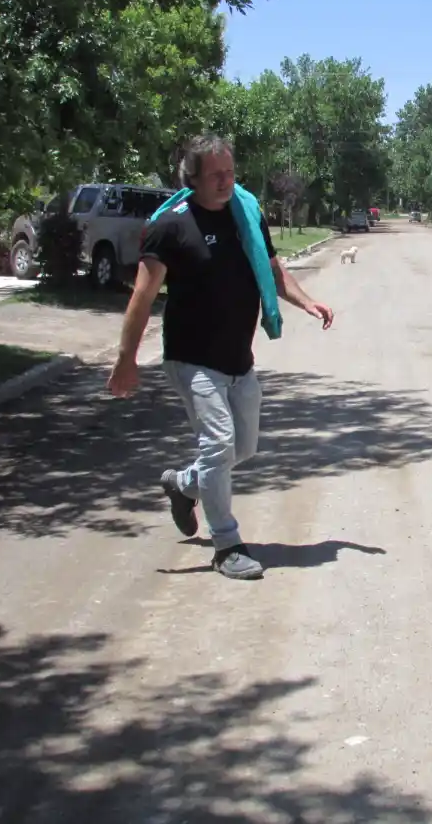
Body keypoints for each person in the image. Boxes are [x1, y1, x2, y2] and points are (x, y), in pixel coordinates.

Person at [107, 135, 334, 580]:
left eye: (230, 172)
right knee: (219, 443)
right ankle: (227, 544)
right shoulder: (169, 226)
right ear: (191, 178)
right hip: (191, 359)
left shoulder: (245, 213)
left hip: (238, 359)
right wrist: (126, 358)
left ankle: (183, 483)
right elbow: (142, 295)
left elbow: (270, 269)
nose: (226, 182)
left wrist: (306, 302)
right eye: (216, 175)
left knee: (242, 449)